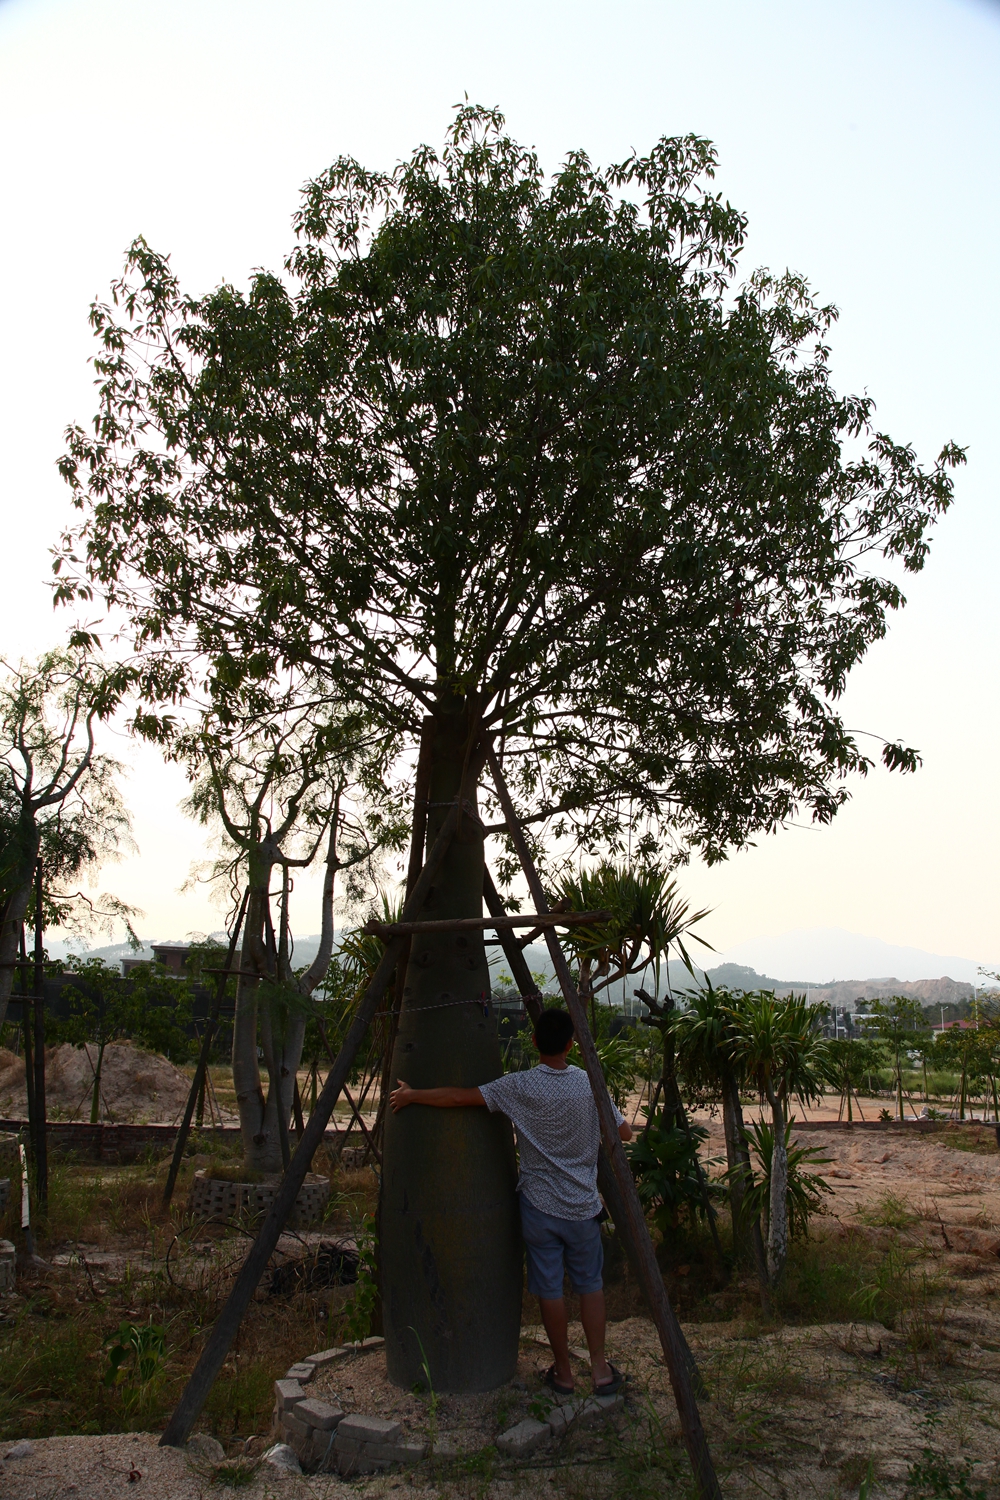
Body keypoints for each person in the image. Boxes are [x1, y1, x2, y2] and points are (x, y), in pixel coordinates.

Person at [389, 1006, 632, 1397]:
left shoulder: (518, 1086)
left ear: (534, 1042)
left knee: (549, 1290)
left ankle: (565, 1373)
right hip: (584, 1208)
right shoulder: (590, 1084)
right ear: (571, 1044)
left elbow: (457, 1097)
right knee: (591, 1286)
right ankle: (601, 1371)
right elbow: (625, 1131)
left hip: (538, 1208)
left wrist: (413, 1094)